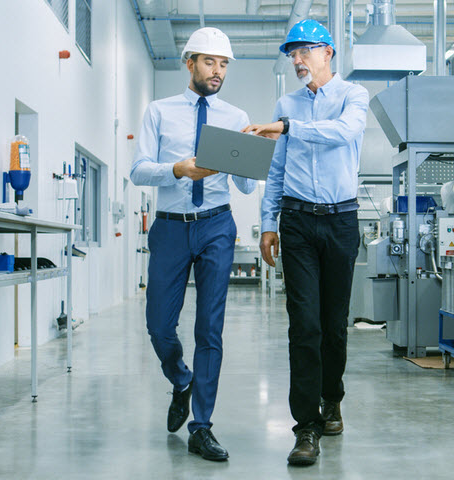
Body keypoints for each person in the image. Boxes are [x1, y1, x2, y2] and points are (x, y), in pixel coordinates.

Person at [242, 19, 369, 466]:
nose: (296, 60)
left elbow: (344, 133)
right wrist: (267, 221)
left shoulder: (353, 96)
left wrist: (288, 127)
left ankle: (332, 398)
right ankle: (306, 426)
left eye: (304, 51)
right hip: (296, 222)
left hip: (341, 221)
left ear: (328, 52)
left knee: (334, 325)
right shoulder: (286, 104)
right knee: (305, 326)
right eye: (292, 54)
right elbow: (277, 169)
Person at [130, 27, 256, 462]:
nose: (217, 71)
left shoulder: (236, 115)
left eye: (223, 64)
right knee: (159, 326)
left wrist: (256, 154)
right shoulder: (159, 112)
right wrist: (178, 170)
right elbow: (138, 170)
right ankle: (181, 380)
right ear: (190, 63)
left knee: (210, 328)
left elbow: (243, 185)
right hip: (170, 226)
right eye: (209, 62)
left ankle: (202, 426)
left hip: (218, 224)